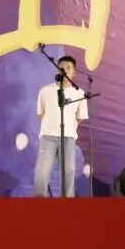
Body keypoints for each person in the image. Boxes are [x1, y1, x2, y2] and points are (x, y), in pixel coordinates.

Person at [34, 55, 89, 197]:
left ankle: (67, 205)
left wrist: (69, 126)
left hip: (68, 138)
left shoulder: (79, 93)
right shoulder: (45, 90)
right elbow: (40, 113)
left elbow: (80, 117)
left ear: (74, 72)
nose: (64, 70)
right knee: (41, 173)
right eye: (61, 67)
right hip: (48, 137)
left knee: (69, 172)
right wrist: (50, 126)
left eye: (68, 68)